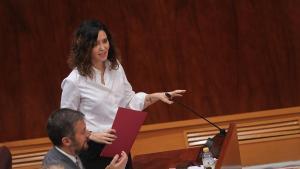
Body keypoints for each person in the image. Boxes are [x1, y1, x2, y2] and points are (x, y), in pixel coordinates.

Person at [60, 20, 186, 169]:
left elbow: (129, 101)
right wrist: (91, 135)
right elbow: (65, 120)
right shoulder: (74, 80)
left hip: (119, 145)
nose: (102, 47)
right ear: (84, 47)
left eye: (105, 41)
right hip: (90, 151)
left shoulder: (116, 68)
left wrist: (155, 96)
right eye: (95, 44)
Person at [43, 108, 128, 169]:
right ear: (66, 141)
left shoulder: (71, 151)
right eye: (83, 132)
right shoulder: (56, 166)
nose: (88, 134)